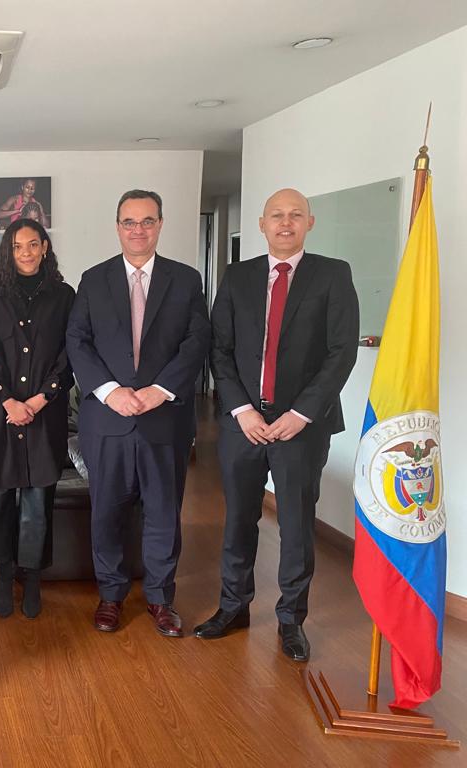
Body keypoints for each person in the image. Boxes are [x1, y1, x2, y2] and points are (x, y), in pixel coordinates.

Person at [194, 188, 359, 662]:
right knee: (239, 519)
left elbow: (340, 353)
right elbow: (219, 349)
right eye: (276, 216)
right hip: (242, 422)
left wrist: (301, 414)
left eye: (295, 216)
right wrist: (241, 410)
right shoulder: (238, 275)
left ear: (310, 222)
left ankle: (291, 620)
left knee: (296, 523)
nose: (285, 223)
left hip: (301, 425)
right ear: (262, 224)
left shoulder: (332, 275)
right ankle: (233, 607)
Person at [66, 190, 211, 637]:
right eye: (129, 222)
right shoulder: (93, 280)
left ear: (161, 225)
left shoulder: (186, 280)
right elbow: (78, 341)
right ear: (117, 227)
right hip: (107, 420)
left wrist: (159, 390)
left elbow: (196, 342)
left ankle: (160, 599)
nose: (138, 230)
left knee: (164, 514)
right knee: (106, 512)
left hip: (163, 419)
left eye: (147, 221)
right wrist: (111, 392)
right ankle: (111, 595)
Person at [0, 219, 74, 618]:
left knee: (36, 504)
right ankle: (3, 573)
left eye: (33, 244)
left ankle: (31, 578)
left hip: (44, 416)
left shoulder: (64, 296)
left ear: (45, 247)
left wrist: (41, 399)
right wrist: (9, 401)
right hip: (1, 416)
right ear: (7, 252)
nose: (26, 252)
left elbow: (68, 356)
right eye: (17, 246)